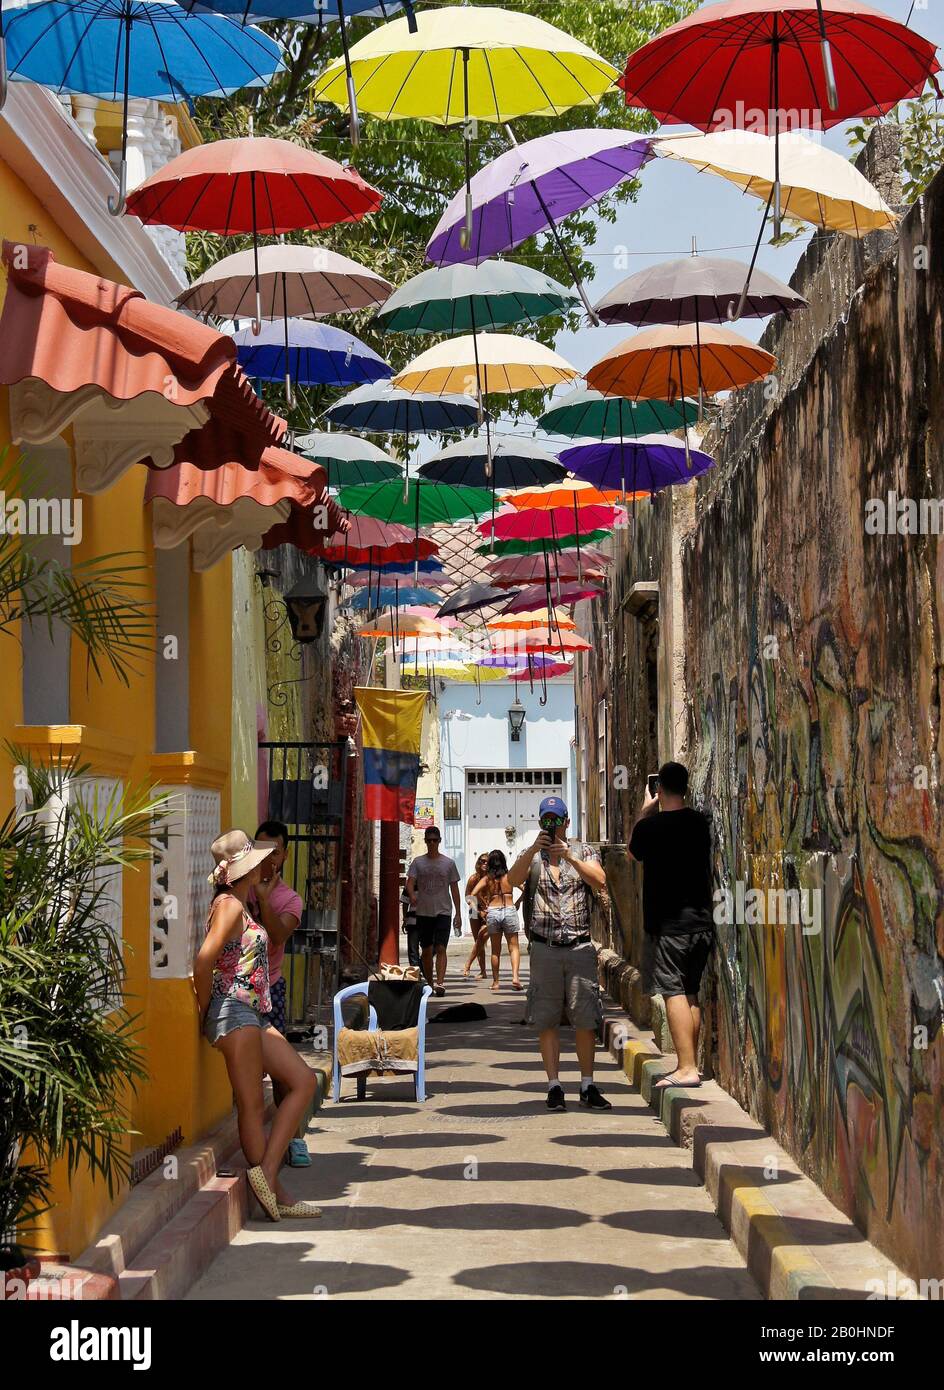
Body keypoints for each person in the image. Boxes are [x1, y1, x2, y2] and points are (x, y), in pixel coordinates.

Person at [193, 830, 320, 1222]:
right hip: (234, 1011)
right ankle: (273, 1189)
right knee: (250, 1104)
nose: (266, 864)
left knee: (303, 1081)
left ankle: (266, 1177)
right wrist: (205, 1010)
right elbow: (204, 960)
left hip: (253, 1013)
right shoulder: (230, 906)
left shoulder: (242, 903)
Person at [507, 797, 611, 1111]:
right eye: (545, 821)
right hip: (544, 948)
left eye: (556, 820)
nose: (551, 826)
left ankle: (587, 1083)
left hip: (579, 947)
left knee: (585, 1018)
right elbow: (512, 880)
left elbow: (600, 880)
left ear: (566, 822)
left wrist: (569, 856)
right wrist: (531, 850)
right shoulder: (533, 857)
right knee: (546, 1019)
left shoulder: (583, 851)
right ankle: (554, 1085)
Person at [628, 761, 714, 1090]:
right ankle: (691, 1063)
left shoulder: (651, 827)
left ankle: (686, 1067)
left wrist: (644, 812)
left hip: (669, 926)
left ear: (659, 790)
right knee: (690, 992)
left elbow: (633, 855)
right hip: (701, 923)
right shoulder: (698, 822)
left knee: (673, 992)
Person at [250, 820, 309, 1168]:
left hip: (270, 988)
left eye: (273, 851)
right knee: (246, 1073)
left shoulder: (289, 899)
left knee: (282, 1073)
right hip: (241, 992)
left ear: (284, 855)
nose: (266, 857)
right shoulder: (241, 886)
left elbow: (277, 937)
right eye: (259, 849)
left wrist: (262, 899)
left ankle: (295, 1138)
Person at [406, 825, 461, 997]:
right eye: (428, 840)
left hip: (443, 910)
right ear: (425, 841)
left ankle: (440, 982)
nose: (431, 843)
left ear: (439, 841)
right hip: (423, 912)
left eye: (434, 840)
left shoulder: (448, 863)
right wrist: (411, 895)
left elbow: (455, 889)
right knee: (427, 949)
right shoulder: (418, 862)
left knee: (441, 947)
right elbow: (409, 881)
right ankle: (429, 983)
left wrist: (458, 913)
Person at [473, 849, 523, 992]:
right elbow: (525, 889)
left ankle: (496, 982)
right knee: (514, 947)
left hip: (493, 911)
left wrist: (481, 909)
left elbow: (472, 894)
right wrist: (518, 902)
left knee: (496, 950)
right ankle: (515, 977)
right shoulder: (510, 876)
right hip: (509, 908)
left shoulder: (487, 879)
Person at [461, 853, 490, 979]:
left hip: (488, 911)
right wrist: (478, 911)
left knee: (482, 937)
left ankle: (468, 964)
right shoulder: (474, 878)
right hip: (474, 910)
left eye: (487, 862)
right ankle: (483, 971)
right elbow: (468, 896)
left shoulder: (492, 878)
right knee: (478, 940)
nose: (484, 864)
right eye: (482, 861)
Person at [401, 886, 420, 968]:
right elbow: (405, 903)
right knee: (413, 948)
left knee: (430, 948)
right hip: (413, 920)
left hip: (429, 919)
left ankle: (422, 966)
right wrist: (405, 919)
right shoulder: (410, 885)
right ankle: (415, 970)